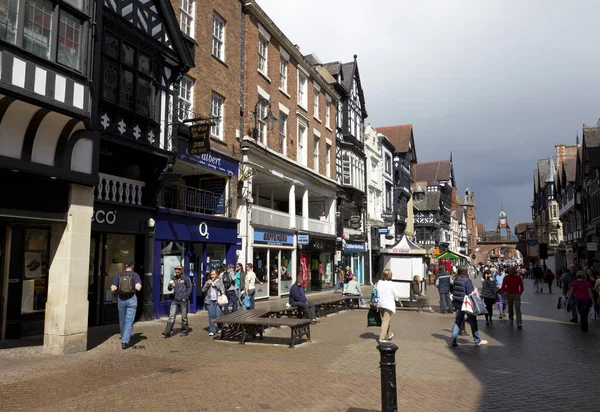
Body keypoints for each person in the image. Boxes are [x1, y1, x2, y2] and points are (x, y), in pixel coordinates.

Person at [450, 266, 487, 347]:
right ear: (466, 271)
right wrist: (475, 290)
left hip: (458, 303)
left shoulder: (456, 280)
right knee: (473, 322)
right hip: (467, 304)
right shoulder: (467, 281)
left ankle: (453, 340)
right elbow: (469, 293)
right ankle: (477, 340)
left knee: (457, 322)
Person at [110, 260, 142, 349]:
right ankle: (125, 341)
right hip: (131, 299)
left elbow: (113, 288)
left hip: (121, 299)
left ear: (124, 266)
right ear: (132, 266)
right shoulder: (135, 275)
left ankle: (124, 337)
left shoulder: (119, 275)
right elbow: (138, 287)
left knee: (122, 320)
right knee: (129, 320)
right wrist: (137, 286)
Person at [162, 264, 192, 337]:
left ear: (181, 270)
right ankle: (167, 332)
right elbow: (169, 288)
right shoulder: (173, 278)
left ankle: (184, 331)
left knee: (184, 317)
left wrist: (186, 297)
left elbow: (189, 288)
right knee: (171, 316)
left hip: (183, 300)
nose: (177, 271)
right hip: (175, 300)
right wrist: (170, 286)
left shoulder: (186, 278)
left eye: (178, 269)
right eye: (176, 269)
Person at [377, 269, 403, 342]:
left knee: (385, 320)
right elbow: (396, 296)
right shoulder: (391, 284)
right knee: (385, 321)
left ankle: (389, 334)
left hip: (380, 304)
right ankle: (381, 338)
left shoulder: (379, 282)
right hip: (388, 305)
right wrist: (400, 303)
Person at [202, 270, 225, 336]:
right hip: (210, 301)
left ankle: (219, 328)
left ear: (216, 275)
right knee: (211, 316)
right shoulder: (208, 282)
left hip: (218, 301)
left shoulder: (219, 281)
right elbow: (203, 290)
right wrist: (207, 284)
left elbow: (222, 289)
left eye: (214, 274)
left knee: (218, 315)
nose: (212, 276)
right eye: (211, 274)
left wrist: (216, 285)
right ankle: (212, 330)